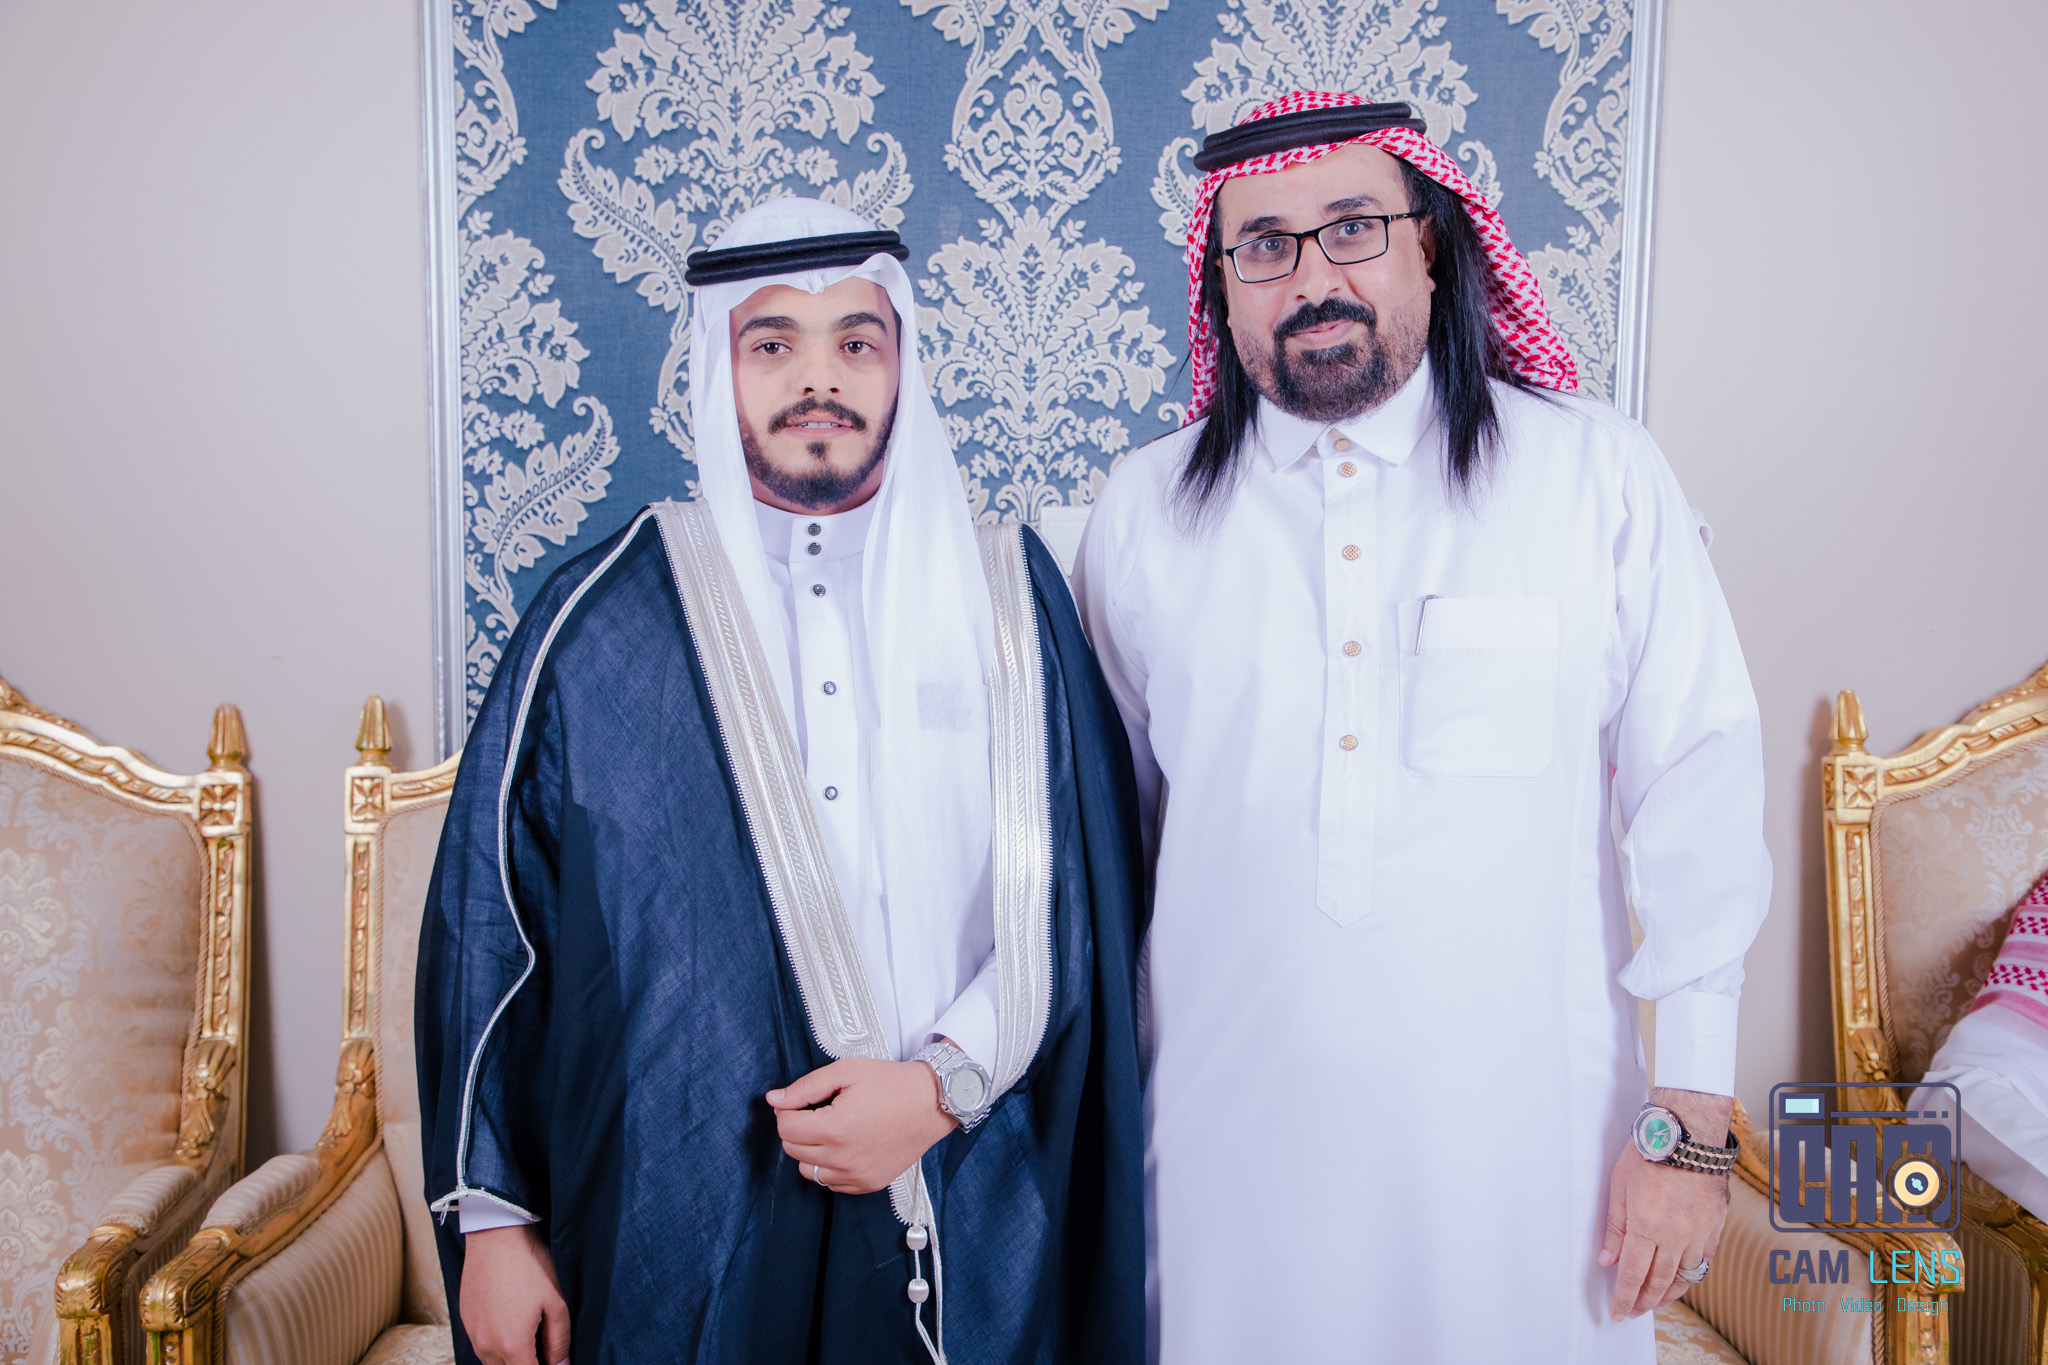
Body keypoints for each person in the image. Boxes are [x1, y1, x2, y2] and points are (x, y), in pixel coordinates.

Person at [1073, 93, 1771, 1362]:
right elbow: (1105, 851)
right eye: (1263, 245)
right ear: (1220, 285)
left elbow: (1696, 793)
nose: (1311, 279)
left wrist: (1687, 1132)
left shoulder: (1592, 478)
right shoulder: (1141, 514)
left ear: (1432, 246)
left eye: (1352, 228)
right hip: (1228, 1169)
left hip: (1531, 1170)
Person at [417, 198, 1147, 1365]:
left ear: (902, 363)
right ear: (717, 367)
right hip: (686, 1209)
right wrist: (493, 1226)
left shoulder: (1009, 601)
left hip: (968, 1179)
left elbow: (1082, 894)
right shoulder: (601, 619)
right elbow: (495, 929)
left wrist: (938, 1088)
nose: (819, 378)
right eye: (773, 344)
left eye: (856, 340)